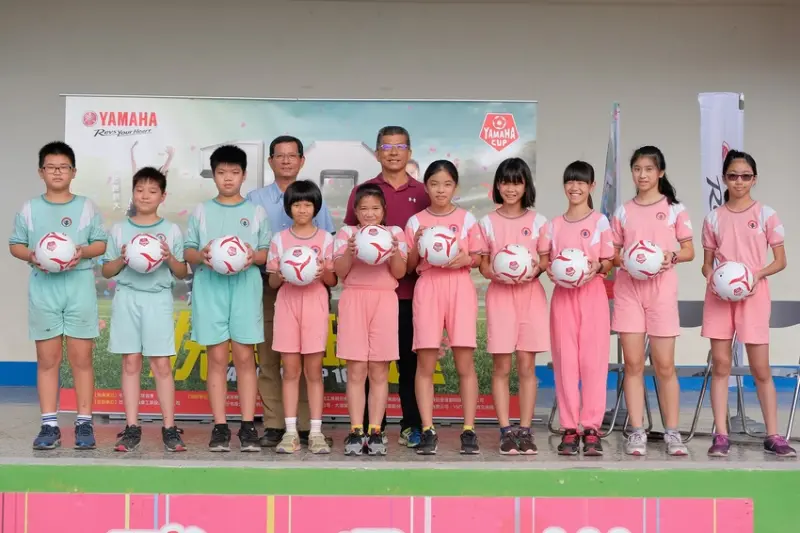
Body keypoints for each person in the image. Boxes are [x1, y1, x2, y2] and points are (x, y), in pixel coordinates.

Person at [9, 141, 107, 450]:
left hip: (78, 287)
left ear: (73, 172)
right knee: (47, 359)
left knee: (82, 358)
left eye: (63, 167)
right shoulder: (29, 208)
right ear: (41, 172)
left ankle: (84, 422)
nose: (57, 172)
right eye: (51, 167)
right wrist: (32, 255)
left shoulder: (87, 206)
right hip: (44, 289)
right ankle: (49, 425)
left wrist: (81, 251)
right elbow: (15, 244)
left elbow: (100, 243)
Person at [701, 150, 796, 458]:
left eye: (745, 176)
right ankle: (721, 434)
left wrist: (755, 275)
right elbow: (706, 264)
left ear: (754, 179)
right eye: (733, 176)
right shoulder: (713, 218)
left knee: (760, 367)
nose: (739, 181)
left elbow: (780, 261)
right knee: (721, 365)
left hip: (754, 295)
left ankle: (774, 435)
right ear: (724, 179)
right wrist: (714, 279)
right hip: (720, 298)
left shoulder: (766, 214)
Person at [343, 126, 430, 448]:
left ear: (410, 152)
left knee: (407, 363)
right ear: (378, 152)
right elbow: (349, 246)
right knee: (363, 366)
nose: (393, 152)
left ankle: (411, 426)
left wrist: (398, 251)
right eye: (387, 147)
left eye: (400, 147)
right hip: (364, 295)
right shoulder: (364, 190)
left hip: (408, 293)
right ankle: (364, 429)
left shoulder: (423, 192)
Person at [246, 135, 334, 448]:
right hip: (272, 286)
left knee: (309, 363)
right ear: (270, 160)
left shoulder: (315, 200)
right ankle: (276, 425)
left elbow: (329, 258)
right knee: (272, 357)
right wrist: (280, 271)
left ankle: (309, 427)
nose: (286, 160)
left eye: (292, 155)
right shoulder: (255, 199)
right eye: (280, 155)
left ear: (301, 160)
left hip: (312, 292)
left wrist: (319, 271)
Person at [184, 145, 270, 452]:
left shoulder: (256, 212)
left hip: (245, 288)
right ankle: (220, 426)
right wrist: (203, 256)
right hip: (211, 289)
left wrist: (251, 256)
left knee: (245, 357)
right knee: (217, 358)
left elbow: (266, 252)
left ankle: (247, 426)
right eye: (221, 172)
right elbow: (188, 251)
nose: (228, 178)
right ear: (213, 175)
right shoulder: (201, 211)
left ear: (244, 175)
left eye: (234, 172)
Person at [611, 146, 694, 457]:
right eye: (637, 169)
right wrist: (626, 260)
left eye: (648, 169)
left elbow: (689, 250)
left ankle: (672, 432)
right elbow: (612, 253)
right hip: (629, 291)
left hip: (661, 291)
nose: (642, 175)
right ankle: (636, 430)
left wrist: (671, 255)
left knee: (664, 365)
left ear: (660, 172)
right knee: (633, 364)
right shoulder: (623, 211)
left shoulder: (675, 208)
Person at [101, 167, 188, 452]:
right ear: (133, 193)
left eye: (152, 191)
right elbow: (107, 270)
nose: (145, 196)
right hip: (127, 297)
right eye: (140, 190)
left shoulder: (171, 230)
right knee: (130, 362)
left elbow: (181, 271)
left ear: (163, 196)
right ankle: (132, 427)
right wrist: (123, 258)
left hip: (157, 299)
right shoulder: (120, 229)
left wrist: (169, 257)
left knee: (161, 364)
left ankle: (169, 428)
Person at [406, 160, 484, 455]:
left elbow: (478, 257)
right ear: (425, 187)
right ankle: (428, 429)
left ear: (456, 187)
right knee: (425, 363)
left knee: (465, 362)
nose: (441, 190)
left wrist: (469, 260)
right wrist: (415, 247)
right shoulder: (416, 222)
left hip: (459, 287)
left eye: (447, 184)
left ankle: (469, 429)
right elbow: (409, 267)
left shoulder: (466, 219)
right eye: (435, 184)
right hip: (428, 287)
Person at [540, 161, 614, 456]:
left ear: (591, 186)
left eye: (581, 182)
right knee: (565, 362)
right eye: (570, 181)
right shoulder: (553, 225)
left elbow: (609, 260)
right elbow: (546, 260)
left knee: (593, 363)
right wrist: (551, 269)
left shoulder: (600, 222)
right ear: (564, 185)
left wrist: (599, 266)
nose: (575, 187)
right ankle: (570, 428)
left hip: (592, 295)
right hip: (563, 297)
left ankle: (592, 428)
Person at [478, 158, 548, 455]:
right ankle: (506, 430)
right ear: (497, 185)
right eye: (505, 182)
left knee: (527, 366)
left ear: (526, 185)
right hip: (501, 297)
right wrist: (495, 273)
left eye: (517, 182)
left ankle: (526, 430)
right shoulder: (487, 222)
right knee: (502, 366)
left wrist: (535, 270)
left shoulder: (538, 221)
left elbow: (545, 259)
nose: (510, 188)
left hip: (530, 296)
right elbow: (482, 263)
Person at [334, 184, 408, 456]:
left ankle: (375, 430)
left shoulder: (395, 233)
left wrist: (395, 251)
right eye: (363, 208)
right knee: (356, 369)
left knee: (379, 369)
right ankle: (356, 430)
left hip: (384, 300)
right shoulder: (346, 234)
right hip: (354, 299)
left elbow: (399, 273)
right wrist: (350, 251)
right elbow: (339, 271)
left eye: (375, 208)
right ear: (355, 211)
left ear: (384, 210)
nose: (369, 213)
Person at [266, 180, 336, 455]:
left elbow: (332, 279)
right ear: (288, 208)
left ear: (316, 208)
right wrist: (282, 274)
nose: (303, 209)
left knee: (313, 371)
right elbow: (273, 282)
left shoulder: (326, 239)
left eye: (308, 204)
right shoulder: (279, 240)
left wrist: (322, 272)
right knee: (291, 370)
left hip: (315, 304)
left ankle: (316, 432)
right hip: (287, 305)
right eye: (297, 204)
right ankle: (290, 431)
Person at [127, 142, 175, 217]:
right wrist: (131, 151)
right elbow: (134, 166)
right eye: (140, 190)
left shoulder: (156, 180)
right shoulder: (139, 179)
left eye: (152, 191)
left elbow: (164, 170)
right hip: (134, 212)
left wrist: (170, 157)